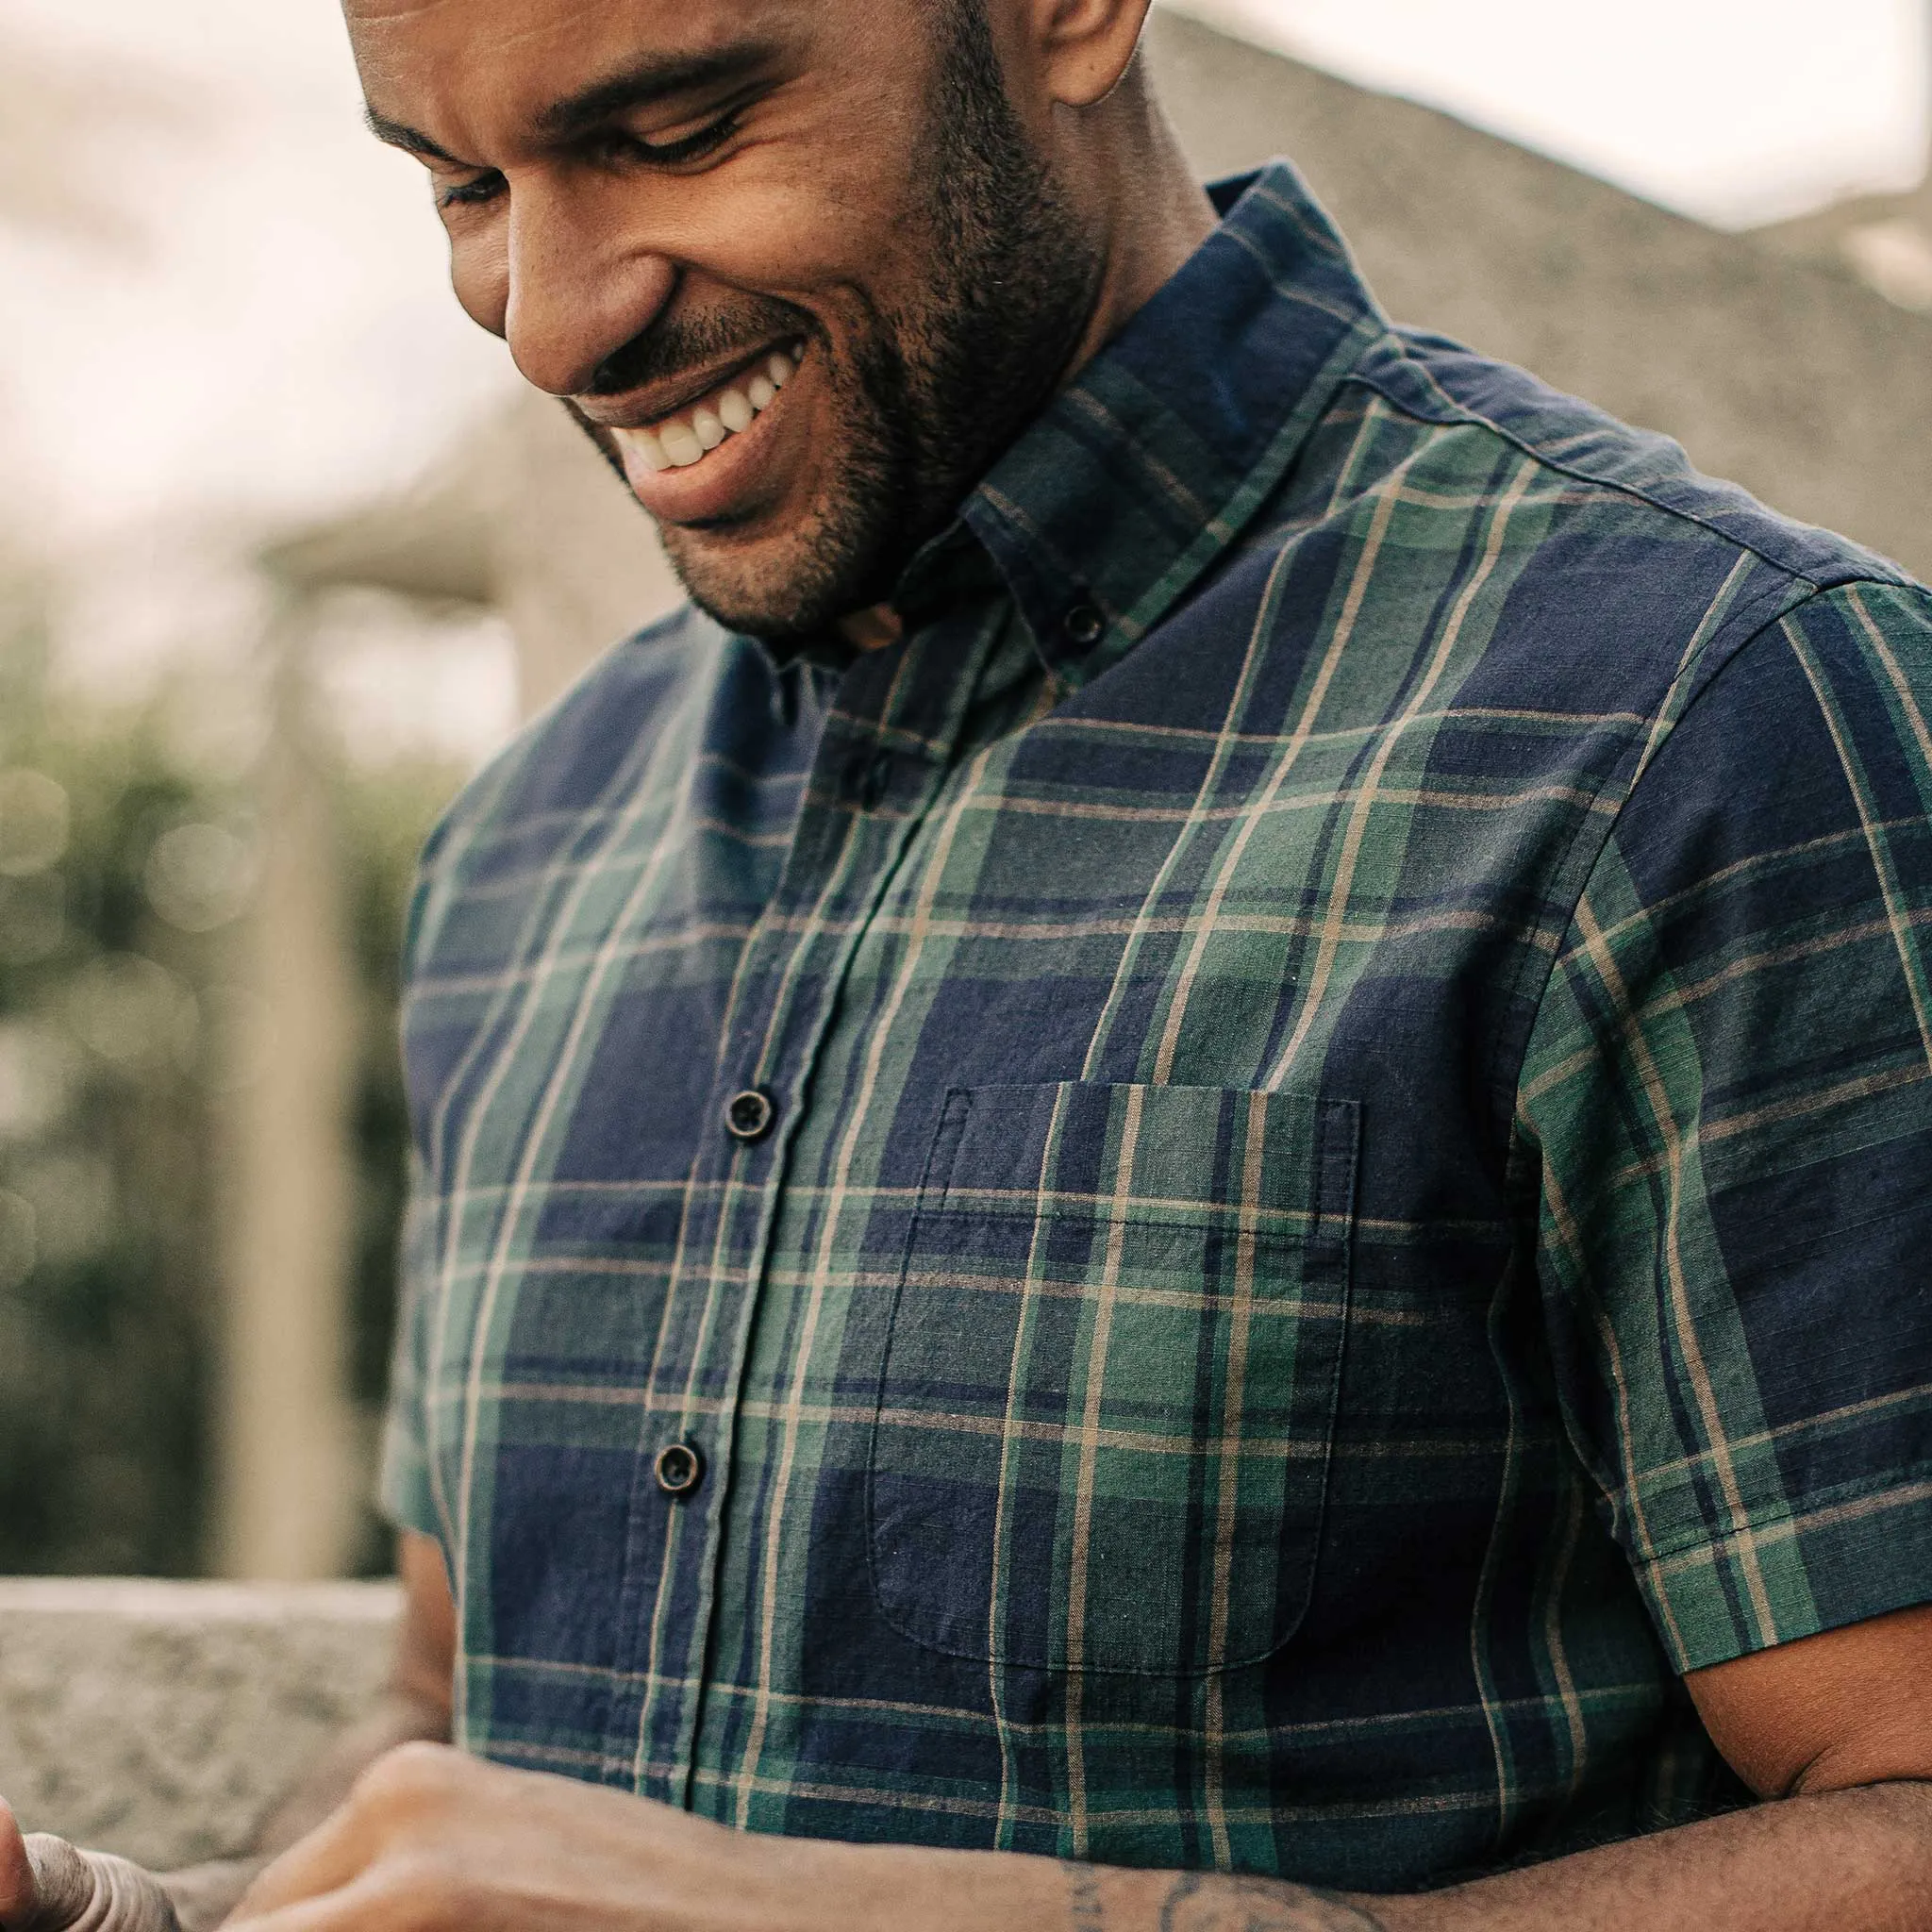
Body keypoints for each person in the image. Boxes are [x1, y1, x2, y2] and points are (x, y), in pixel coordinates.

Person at [7, 0, 1932, 1926]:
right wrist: (159, 1910)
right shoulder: (525, 843)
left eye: (679, 130)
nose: (551, 322)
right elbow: (448, 1727)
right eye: (464, 185)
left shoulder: (1710, 725)